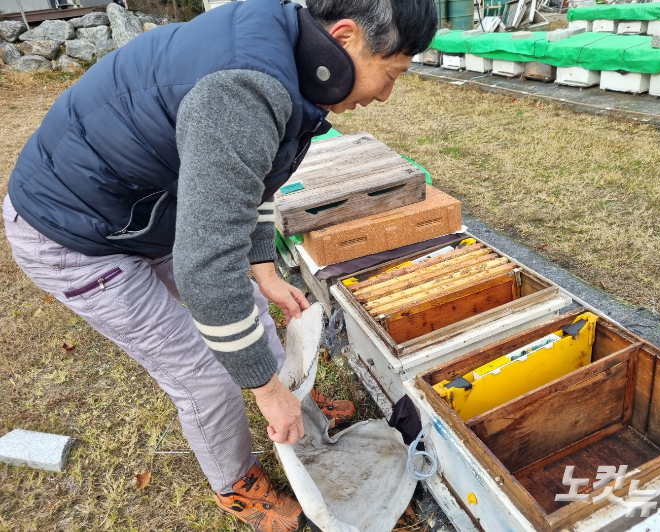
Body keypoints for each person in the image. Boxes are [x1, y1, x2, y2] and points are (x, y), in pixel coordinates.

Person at [2, 0, 437, 530]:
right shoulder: (243, 88)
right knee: (205, 376)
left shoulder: (285, 51)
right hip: (76, 233)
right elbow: (205, 272)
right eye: (390, 74)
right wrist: (264, 388)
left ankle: (302, 414)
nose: (384, 95)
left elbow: (253, 175)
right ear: (344, 37)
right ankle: (236, 486)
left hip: (148, 208)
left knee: (249, 311)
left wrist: (264, 267)